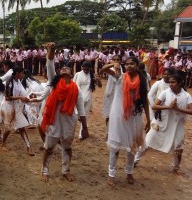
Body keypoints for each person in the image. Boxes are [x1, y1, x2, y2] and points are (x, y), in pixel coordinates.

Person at [40, 43, 89, 183]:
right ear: (59, 73)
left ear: (71, 74)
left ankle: (65, 170)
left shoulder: (76, 89)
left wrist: (85, 127)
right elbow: (50, 64)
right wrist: (51, 50)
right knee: (48, 147)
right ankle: (44, 171)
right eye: (62, 68)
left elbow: (81, 109)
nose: (64, 69)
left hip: (68, 121)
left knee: (67, 147)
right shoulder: (53, 83)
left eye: (67, 68)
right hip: (53, 121)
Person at [100, 56, 150, 187]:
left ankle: (129, 172)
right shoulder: (119, 76)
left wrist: (149, 119)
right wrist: (114, 63)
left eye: (132, 63)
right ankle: (111, 174)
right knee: (115, 146)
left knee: (132, 146)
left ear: (137, 65)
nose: (128, 66)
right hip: (118, 116)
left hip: (134, 116)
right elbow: (103, 69)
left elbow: (145, 100)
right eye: (126, 64)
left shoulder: (142, 81)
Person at [134, 73, 192, 174]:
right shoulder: (165, 93)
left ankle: (176, 167)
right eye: (170, 82)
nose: (171, 84)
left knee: (178, 148)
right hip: (161, 123)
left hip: (177, 125)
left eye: (173, 82)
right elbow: (155, 106)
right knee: (147, 142)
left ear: (180, 83)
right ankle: (135, 161)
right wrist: (169, 107)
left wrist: (177, 108)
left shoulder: (187, 96)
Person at [1, 66, 35, 156]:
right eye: (22, 73)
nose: (23, 75)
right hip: (8, 106)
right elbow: (7, 97)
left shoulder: (18, 81)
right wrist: (20, 97)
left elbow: (23, 93)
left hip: (16, 106)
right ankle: (3, 143)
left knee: (21, 127)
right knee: (8, 128)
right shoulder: (10, 82)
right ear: (17, 74)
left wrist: (27, 98)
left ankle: (28, 146)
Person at [73, 60, 102, 139]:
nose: (85, 70)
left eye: (87, 69)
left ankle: (81, 134)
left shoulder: (92, 76)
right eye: (84, 69)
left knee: (84, 116)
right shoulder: (77, 74)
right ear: (82, 67)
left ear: (90, 68)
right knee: (75, 116)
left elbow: (100, 86)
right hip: (77, 99)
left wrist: (98, 80)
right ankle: (71, 132)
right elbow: (73, 85)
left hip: (87, 99)